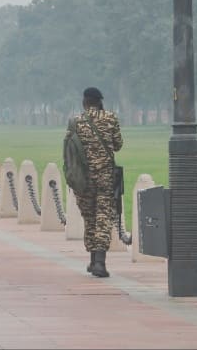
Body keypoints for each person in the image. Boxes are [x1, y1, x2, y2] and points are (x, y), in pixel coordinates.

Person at [66, 87, 123, 278]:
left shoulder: (75, 121)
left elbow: (69, 151)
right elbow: (118, 145)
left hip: (83, 179)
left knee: (89, 217)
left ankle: (92, 260)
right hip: (105, 178)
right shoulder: (110, 118)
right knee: (103, 217)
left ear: (84, 101)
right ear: (99, 101)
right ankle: (99, 261)